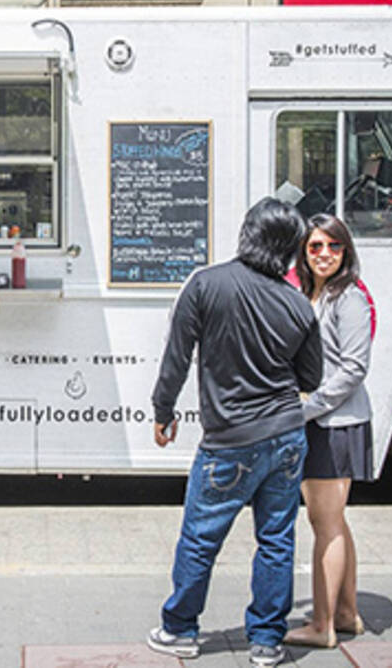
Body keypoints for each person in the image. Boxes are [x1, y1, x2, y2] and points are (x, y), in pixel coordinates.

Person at [147, 197, 323, 667]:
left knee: (201, 537)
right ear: (291, 248)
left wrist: (162, 411)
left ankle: (180, 630)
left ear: (247, 233)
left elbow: (177, 358)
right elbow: (311, 380)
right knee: (277, 538)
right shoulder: (297, 305)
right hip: (286, 436)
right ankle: (266, 641)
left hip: (229, 440)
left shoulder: (206, 285)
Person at [284, 214, 373, 649]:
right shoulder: (311, 293)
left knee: (325, 523)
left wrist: (309, 408)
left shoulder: (349, 298)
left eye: (333, 247)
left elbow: (354, 368)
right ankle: (346, 612)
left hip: (335, 423)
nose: (324, 254)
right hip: (325, 420)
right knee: (334, 521)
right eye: (316, 246)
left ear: (346, 251)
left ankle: (322, 627)